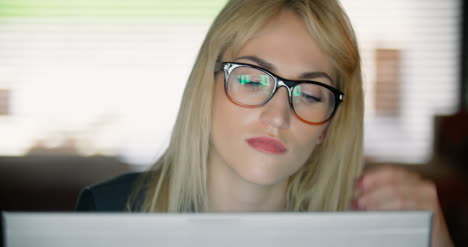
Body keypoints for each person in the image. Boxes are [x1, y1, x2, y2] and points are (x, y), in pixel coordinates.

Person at [76, 0, 453, 246]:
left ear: (328, 126)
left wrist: (435, 238)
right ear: (205, 89)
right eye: (252, 79)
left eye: (310, 93)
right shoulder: (109, 212)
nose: (277, 116)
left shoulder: (365, 231)